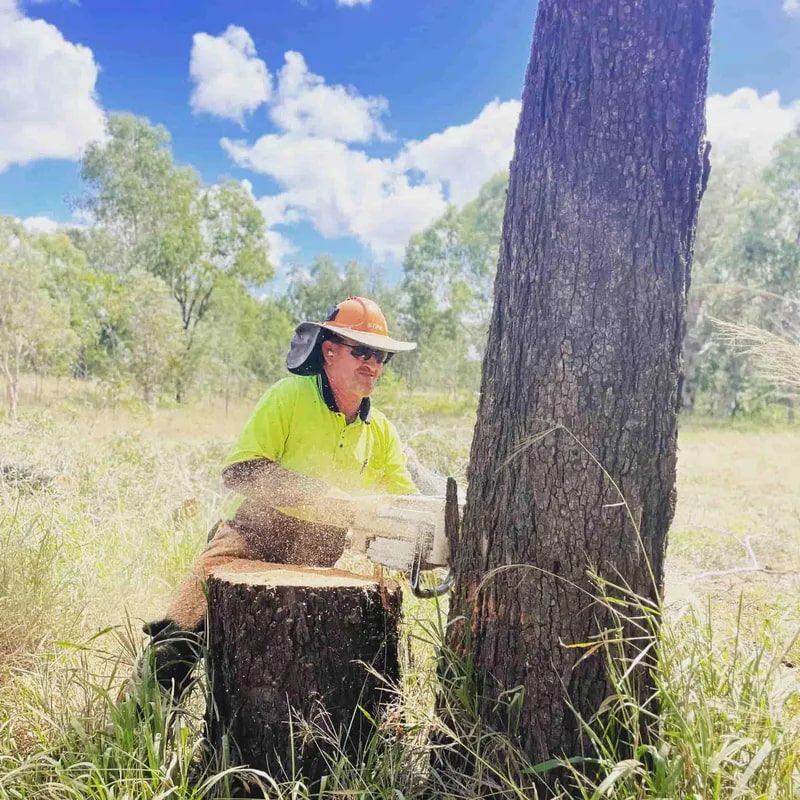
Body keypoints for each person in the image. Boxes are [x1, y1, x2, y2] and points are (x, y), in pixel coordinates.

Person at [140, 296, 418, 699]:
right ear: (329, 352)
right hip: (250, 538)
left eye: (380, 357)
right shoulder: (288, 397)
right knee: (179, 638)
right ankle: (134, 716)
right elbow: (242, 470)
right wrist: (324, 496)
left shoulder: (381, 432)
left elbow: (402, 499)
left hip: (318, 558)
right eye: (362, 352)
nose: (372, 364)